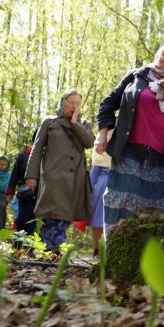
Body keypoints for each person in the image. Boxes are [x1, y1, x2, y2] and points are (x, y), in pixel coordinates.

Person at [96, 43, 164, 237]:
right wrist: (102, 133)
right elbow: (108, 103)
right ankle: (113, 251)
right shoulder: (137, 77)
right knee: (118, 204)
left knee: (153, 214)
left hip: (162, 162)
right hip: (129, 153)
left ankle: (142, 255)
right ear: (158, 56)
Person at [25, 90, 96, 253]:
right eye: (71, 102)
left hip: (75, 180)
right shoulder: (49, 122)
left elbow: (89, 142)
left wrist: (75, 123)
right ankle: (53, 251)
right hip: (53, 178)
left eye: (77, 103)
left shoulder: (84, 124)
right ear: (63, 102)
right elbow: (36, 150)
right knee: (53, 215)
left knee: (64, 218)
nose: (74, 106)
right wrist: (31, 175)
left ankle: (48, 250)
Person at [6, 130, 38, 241]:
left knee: (34, 223)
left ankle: (29, 247)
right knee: (21, 220)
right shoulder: (24, 155)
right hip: (25, 194)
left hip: (41, 195)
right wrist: (10, 193)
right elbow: (15, 174)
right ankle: (18, 246)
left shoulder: (48, 156)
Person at [88, 130, 112, 256]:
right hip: (103, 185)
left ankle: (110, 249)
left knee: (113, 219)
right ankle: (96, 249)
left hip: (118, 184)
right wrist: (88, 191)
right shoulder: (101, 147)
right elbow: (95, 172)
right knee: (98, 219)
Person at [0, 155, 10, 232]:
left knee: (0, 217)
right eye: (1, 164)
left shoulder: (8, 175)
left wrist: (8, 198)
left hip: (2, 198)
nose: (3, 166)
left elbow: (10, 188)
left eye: (5, 165)